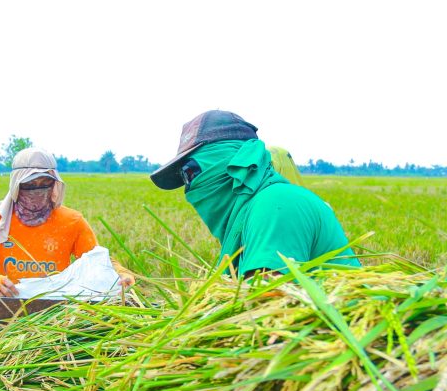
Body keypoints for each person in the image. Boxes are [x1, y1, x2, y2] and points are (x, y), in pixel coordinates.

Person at [150, 109, 360, 274]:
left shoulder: (275, 204)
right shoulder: (249, 217)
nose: (189, 188)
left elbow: (266, 306)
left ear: (235, 164)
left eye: (189, 173)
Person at [0, 148, 135, 296]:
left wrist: (121, 274)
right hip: (9, 303)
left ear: (54, 185)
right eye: (30, 184)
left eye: (45, 184)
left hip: (57, 307)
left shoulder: (72, 221)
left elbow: (98, 260)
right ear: (16, 185)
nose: (37, 192)